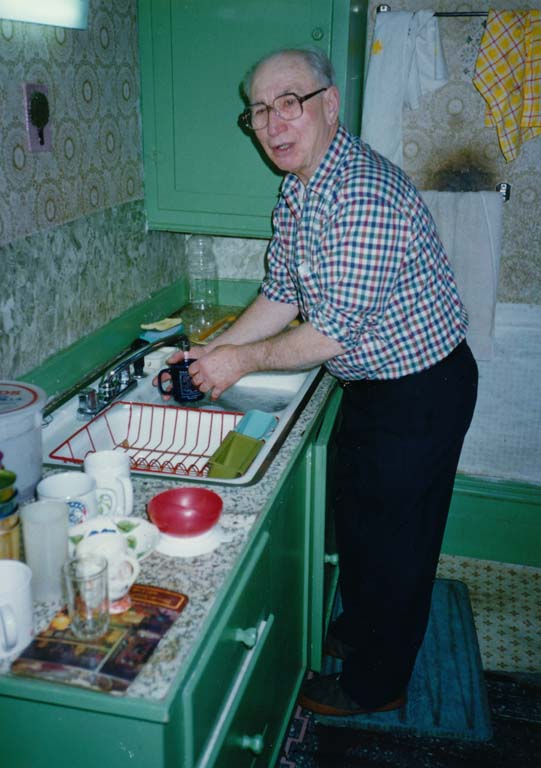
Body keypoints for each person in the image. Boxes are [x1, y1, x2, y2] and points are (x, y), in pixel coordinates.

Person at [164, 47, 478, 716]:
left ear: (327, 106)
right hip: (370, 384)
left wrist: (240, 363)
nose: (273, 123)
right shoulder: (301, 189)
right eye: (258, 110)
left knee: (398, 541)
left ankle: (377, 684)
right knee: (360, 521)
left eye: (289, 102)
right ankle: (364, 630)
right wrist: (212, 350)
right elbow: (279, 295)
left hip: (421, 388)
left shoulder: (359, 193)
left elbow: (329, 332)